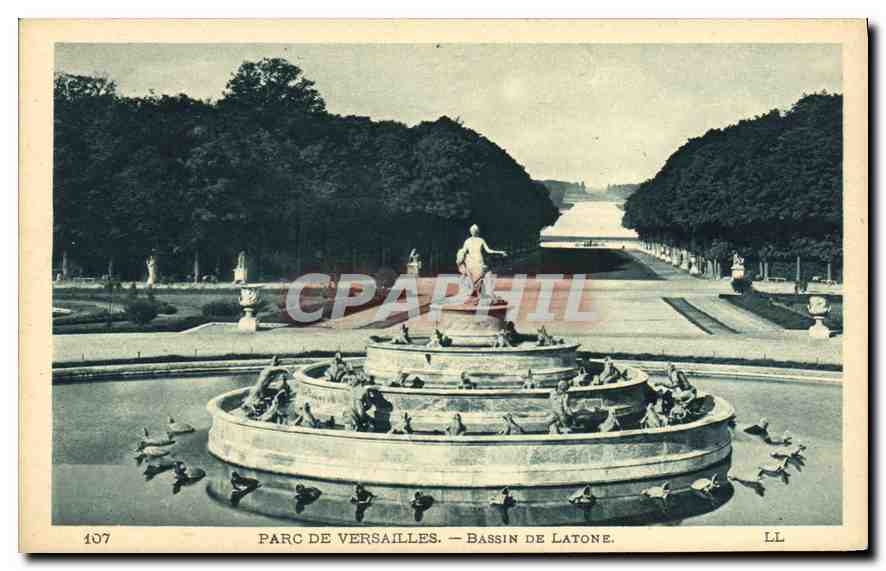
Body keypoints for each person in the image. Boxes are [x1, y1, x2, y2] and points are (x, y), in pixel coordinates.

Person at [456, 224, 507, 298]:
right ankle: (479, 292)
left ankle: (475, 292)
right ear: (478, 232)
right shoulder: (481, 240)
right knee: (482, 276)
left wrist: (459, 259)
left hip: (471, 262)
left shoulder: (467, 241)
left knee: (471, 276)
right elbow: (489, 251)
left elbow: (462, 251)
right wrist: (500, 252)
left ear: (471, 232)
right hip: (479, 261)